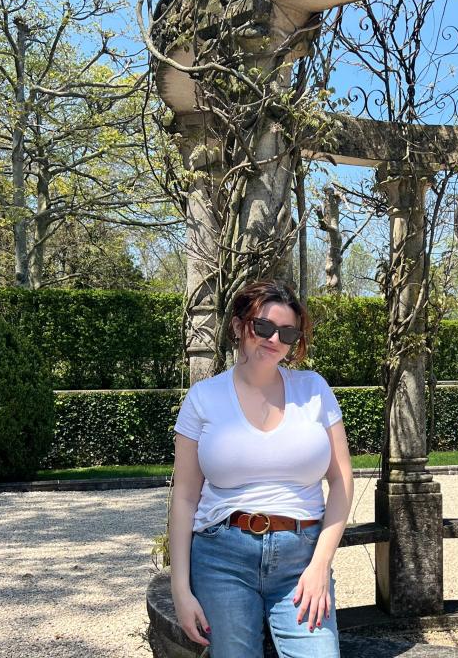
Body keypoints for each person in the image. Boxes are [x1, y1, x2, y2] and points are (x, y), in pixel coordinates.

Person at [169, 280, 353, 658]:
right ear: (239, 326)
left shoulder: (314, 390)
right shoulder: (203, 398)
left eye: (287, 333)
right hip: (222, 558)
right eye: (263, 327)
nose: (274, 340)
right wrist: (181, 590)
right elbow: (185, 497)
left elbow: (342, 481)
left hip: (300, 556)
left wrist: (321, 565)